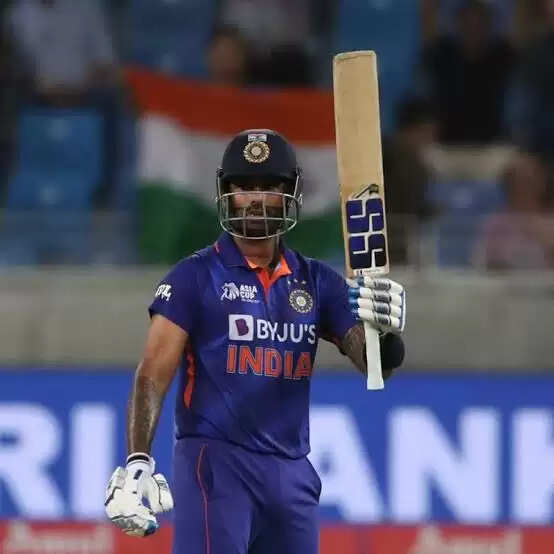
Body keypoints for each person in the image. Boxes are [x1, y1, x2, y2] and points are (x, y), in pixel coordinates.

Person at [104, 130, 407, 553]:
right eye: (244, 187)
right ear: (226, 194)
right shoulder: (194, 277)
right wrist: (138, 459)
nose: (256, 199)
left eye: (269, 187)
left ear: (290, 194)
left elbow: (375, 364)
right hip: (215, 462)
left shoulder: (317, 282)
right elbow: (152, 374)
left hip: (291, 472)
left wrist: (384, 335)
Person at [421, 0, 515, 144]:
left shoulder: (505, 57)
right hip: (446, 145)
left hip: (495, 146)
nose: (473, 29)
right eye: (468, 23)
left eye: (479, 24)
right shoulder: (440, 56)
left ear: (489, 25)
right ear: (458, 24)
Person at [474, 151, 554, 269]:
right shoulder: (495, 224)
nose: (525, 187)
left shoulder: (551, 219)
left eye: (530, 180)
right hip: (507, 280)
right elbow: (482, 264)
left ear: (543, 182)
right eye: (519, 180)